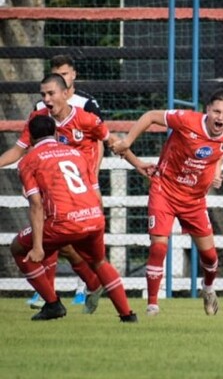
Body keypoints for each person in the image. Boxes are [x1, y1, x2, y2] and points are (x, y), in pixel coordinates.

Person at [0, 74, 151, 313]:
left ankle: (58, 298)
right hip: (55, 193)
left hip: (85, 191)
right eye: (43, 95)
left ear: (65, 93)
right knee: (66, 245)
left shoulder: (86, 119)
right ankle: (87, 289)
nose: (46, 99)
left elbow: (113, 142)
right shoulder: (38, 120)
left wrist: (138, 163)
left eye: (51, 94)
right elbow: (18, 150)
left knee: (63, 242)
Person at [110, 89, 223, 317]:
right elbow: (151, 116)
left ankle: (208, 289)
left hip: (194, 199)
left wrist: (216, 171)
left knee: (210, 257)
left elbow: (222, 152)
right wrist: (128, 141)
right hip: (165, 189)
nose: (220, 117)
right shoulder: (187, 120)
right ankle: (152, 305)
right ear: (207, 110)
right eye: (217, 111)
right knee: (159, 245)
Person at [9, 115, 137, 322]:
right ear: (57, 133)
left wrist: (38, 245)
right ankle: (127, 315)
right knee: (99, 262)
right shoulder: (77, 153)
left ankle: (52, 304)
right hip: (93, 217)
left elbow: (35, 204)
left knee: (18, 247)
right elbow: (92, 189)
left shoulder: (28, 161)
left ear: (31, 138)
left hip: (63, 222)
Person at [30, 54, 105, 308]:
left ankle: (85, 287)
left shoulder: (87, 104)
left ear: (73, 75)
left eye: (64, 73)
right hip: (52, 183)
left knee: (79, 237)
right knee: (55, 238)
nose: (61, 77)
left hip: (80, 182)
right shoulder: (43, 108)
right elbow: (33, 143)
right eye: (56, 73)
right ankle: (48, 290)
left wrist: (92, 179)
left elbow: (99, 140)